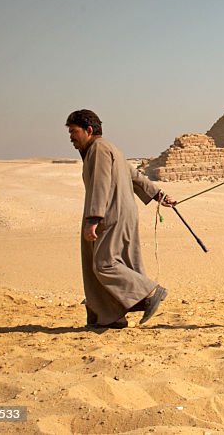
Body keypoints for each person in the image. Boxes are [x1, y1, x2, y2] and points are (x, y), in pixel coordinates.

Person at [66, 109, 172, 329]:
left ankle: (149, 292)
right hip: (120, 211)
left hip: (109, 213)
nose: (71, 137)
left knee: (104, 264)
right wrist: (158, 195)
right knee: (100, 264)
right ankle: (109, 317)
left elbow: (100, 184)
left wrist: (93, 218)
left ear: (89, 130)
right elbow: (135, 176)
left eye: (74, 131)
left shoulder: (99, 149)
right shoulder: (109, 148)